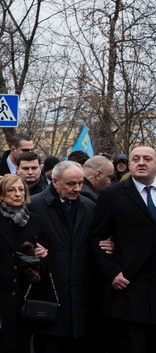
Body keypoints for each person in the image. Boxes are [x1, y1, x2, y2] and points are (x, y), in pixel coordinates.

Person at [89, 146, 156, 353]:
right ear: (129, 164)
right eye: (135, 158)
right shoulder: (112, 195)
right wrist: (112, 273)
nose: (141, 162)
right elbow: (96, 239)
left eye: (147, 158)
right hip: (130, 291)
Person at [27, 161, 96, 352]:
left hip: (80, 297)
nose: (77, 189)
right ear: (55, 181)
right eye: (71, 184)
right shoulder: (35, 205)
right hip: (48, 295)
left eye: (80, 183)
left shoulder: (89, 207)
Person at [0, 175, 47, 353]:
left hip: (24, 294)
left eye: (21, 189)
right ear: (1, 194)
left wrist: (39, 258)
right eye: (11, 190)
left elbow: (44, 254)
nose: (17, 194)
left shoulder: (34, 220)